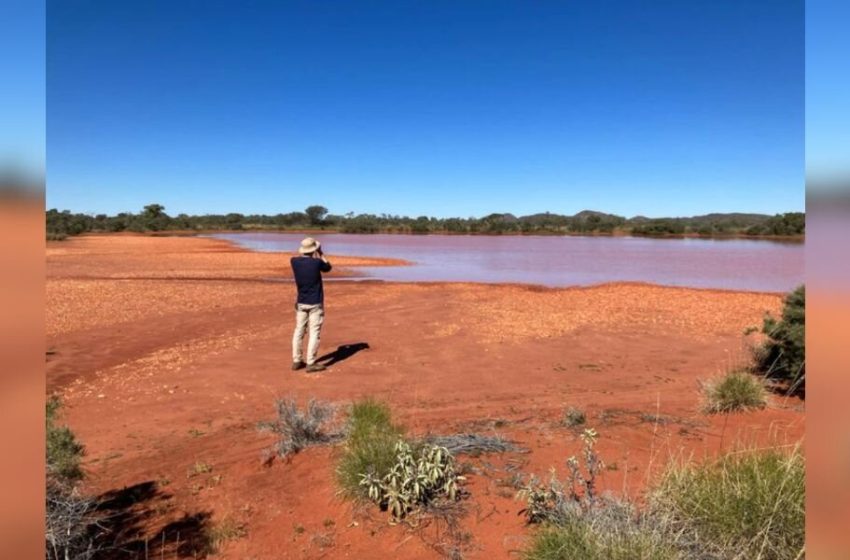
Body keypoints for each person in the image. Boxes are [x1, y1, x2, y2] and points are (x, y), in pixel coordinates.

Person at [290, 237, 332, 372]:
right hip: (315, 302)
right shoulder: (317, 263)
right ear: (314, 249)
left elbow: (303, 259)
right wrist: (321, 253)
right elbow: (328, 267)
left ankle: (297, 360)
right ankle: (311, 362)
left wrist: (314, 251)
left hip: (301, 301)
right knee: (314, 332)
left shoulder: (294, 261)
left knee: (299, 331)